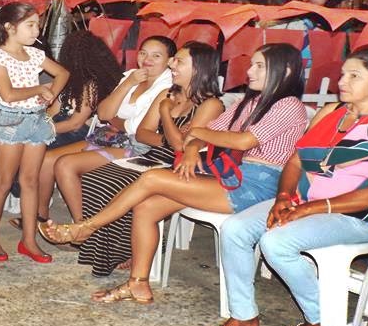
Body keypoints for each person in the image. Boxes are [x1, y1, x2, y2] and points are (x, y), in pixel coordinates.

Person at [42, 43, 308, 305]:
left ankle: (85, 228)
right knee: (146, 207)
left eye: (259, 66)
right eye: (252, 64)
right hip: (227, 176)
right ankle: (138, 283)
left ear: (284, 72)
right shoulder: (246, 103)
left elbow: (242, 141)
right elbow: (194, 135)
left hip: (258, 187)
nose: (249, 71)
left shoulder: (288, 105)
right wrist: (192, 149)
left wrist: (196, 135)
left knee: (151, 178)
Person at [208, 48, 368, 326]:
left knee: (277, 242)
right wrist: (283, 197)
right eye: (343, 74)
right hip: (303, 202)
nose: (342, 81)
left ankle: (322, 319)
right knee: (235, 228)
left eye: (354, 76)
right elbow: (294, 161)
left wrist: (307, 209)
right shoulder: (331, 112)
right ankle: (243, 315)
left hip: (358, 217)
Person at [75, 42, 225, 276]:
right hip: (151, 155)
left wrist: (165, 112)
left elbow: (182, 147)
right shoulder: (168, 93)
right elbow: (143, 133)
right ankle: (107, 251)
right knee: (95, 179)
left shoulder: (210, 104)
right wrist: (167, 138)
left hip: (177, 165)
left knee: (112, 184)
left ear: (198, 69)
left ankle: (126, 249)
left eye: (179, 61)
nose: (172, 65)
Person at [0, 30, 123, 216]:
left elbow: (75, 123)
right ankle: (16, 189)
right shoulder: (69, 79)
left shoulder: (91, 84)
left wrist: (36, 130)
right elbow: (52, 110)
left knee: (6, 155)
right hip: (56, 125)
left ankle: (26, 193)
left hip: (76, 132)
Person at [37, 36, 175, 223]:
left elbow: (134, 127)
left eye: (156, 55)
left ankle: (81, 228)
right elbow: (103, 112)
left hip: (139, 147)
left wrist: (116, 119)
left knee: (65, 164)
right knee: (46, 160)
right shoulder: (131, 76)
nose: (147, 59)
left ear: (169, 61)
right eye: (143, 53)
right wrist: (127, 84)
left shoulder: (167, 87)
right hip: (110, 136)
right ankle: (40, 217)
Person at [0, 2, 70, 263]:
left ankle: (29, 240)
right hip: (10, 121)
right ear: (9, 27)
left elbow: (63, 72)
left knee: (31, 182)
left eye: (37, 25)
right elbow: (7, 94)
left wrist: (52, 94)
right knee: (4, 181)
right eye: (30, 25)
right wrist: (41, 90)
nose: (36, 30)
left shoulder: (34, 54)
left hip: (37, 121)